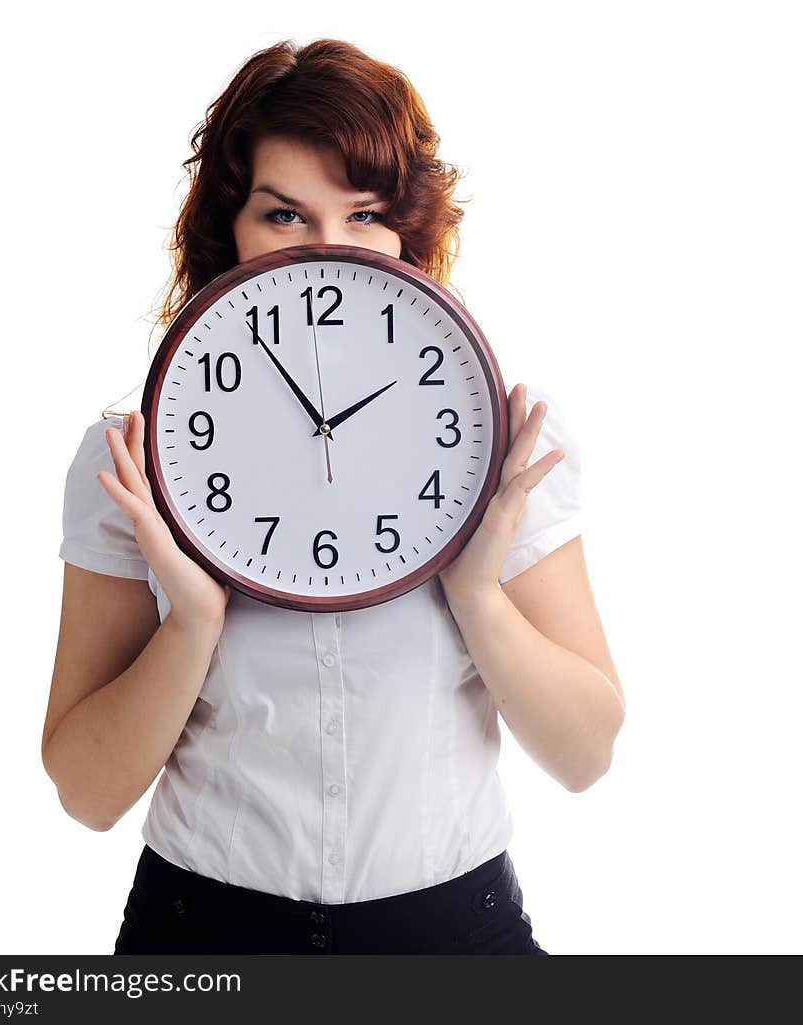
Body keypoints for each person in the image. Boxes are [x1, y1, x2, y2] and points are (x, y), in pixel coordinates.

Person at [42, 38, 626, 956]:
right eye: (285, 215)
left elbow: (586, 754)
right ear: (228, 231)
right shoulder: (131, 458)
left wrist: (474, 592)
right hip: (204, 933)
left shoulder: (506, 445)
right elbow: (86, 790)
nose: (329, 254)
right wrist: (192, 621)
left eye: (363, 216)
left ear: (407, 234)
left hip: (453, 933)